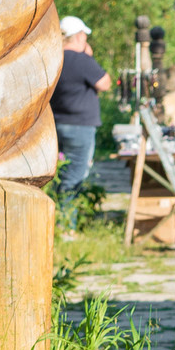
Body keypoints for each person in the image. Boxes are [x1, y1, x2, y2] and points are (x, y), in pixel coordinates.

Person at [49, 13, 110, 222]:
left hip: (56, 125)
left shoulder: (54, 58)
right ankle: (66, 225)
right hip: (80, 127)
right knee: (74, 177)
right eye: (84, 36)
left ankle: (57, 220)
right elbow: (104, 83)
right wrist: (89, 57)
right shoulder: (82, 60)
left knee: (60, 174)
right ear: (78, 37)